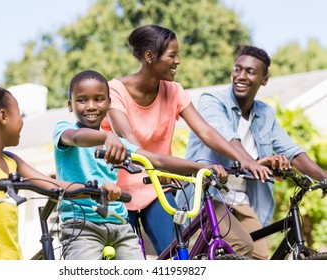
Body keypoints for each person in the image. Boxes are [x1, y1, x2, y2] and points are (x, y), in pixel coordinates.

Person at [100, 24, 271, 255]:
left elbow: (206, 132)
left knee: (180, 257)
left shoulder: (174, 91)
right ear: (150, 56)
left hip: (156, 189)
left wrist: (247, 160)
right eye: (172, 55)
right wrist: (199, 167)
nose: (178, 60)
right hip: (118, 191)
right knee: (126, 260)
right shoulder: (114, 92)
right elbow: (136, 152)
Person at [53, 69, 228, 260]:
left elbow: (157, 160)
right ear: (70, 105)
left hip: (119, 223)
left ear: (109, 103)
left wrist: (199, 168)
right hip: (82, 225)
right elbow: (77, 138)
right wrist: (107, 135)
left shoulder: (119, 143)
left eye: (99, 99)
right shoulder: (64, 129)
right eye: (82, 100)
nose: (91, 106)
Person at [184, 45, 327, 259]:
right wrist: (252, 162)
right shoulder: (212, 101)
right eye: (237, 69)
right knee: (243, 248)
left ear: (264, 79)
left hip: (241, 198)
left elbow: (292, 152)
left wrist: (324, 178)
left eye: (250, 71)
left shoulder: (265, 113)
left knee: (260, 257)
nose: (241, 76)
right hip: (209, 196)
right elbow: (225, 137)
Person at [0, 85, 96, 260]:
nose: (22, 121)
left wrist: (95, 191)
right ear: (3, 116)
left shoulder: (12, 161)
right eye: (19, 114)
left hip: (11, 259)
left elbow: (53, 185)